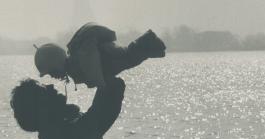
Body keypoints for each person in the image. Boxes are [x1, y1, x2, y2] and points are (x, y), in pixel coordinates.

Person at [34, 22, 166, 88]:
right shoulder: (76, 59)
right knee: (128, 58)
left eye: (51, 72)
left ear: (56, 63)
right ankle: (150, 42)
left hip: (108, 55)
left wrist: (101, 86)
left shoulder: (81, 55)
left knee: (127, 57)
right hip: (108, 56)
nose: (52, 76)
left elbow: (92, 67)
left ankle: (149, 40)